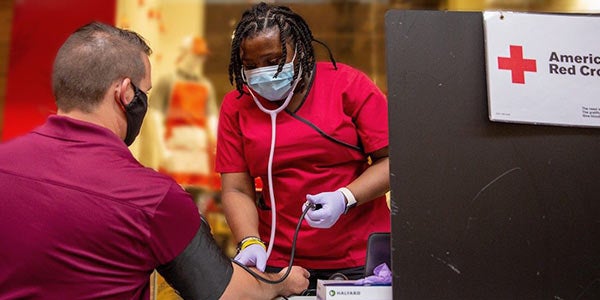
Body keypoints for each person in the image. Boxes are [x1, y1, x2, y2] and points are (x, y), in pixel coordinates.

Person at [0, 22, 308, 299]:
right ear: (124, 93)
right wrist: (279, 282)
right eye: (143, 92)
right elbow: (227, 294)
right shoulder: (154, 198)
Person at [216, 2, 390, 292]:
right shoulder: (237, 107)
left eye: (273, 60)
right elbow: (236, 188)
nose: (262, 73)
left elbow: (393, 162)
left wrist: (345, 197)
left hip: (361, 257)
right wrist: (249, 240)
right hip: (281, 264)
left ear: (300, 51)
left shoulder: (348, 85)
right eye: (250, 66)